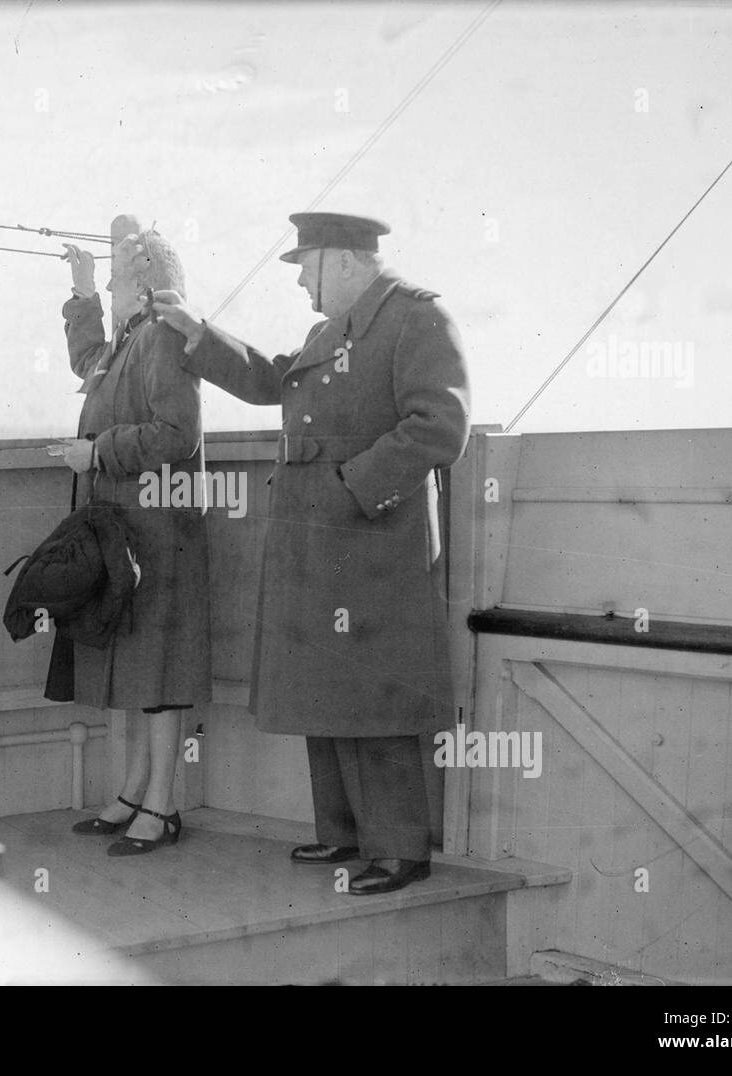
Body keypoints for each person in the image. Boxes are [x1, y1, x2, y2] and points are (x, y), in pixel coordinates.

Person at [152, 212, 471, 894]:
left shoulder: (418, 318)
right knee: (329, 689)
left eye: (307, 265)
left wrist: (347, 487)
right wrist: (197, 336)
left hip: (373, 539)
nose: (300, 280)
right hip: (319, 540)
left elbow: (440, 427)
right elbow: (274, 382)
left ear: (348, 262)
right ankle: (344, 835)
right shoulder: (333, 331)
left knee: (375, 696)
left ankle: (398, 850)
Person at [56, 219, 212, 856]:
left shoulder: (164, 340)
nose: (114, 287)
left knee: (157, 672)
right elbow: (89, 361)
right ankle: (132, 794)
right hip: (127, 531)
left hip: (158, 533)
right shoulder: (131, 341)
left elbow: (178, 435)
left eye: (118, 278)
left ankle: (162, 807)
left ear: (146, 288)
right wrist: (83, 289)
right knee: (134, 670)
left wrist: (96, 453)